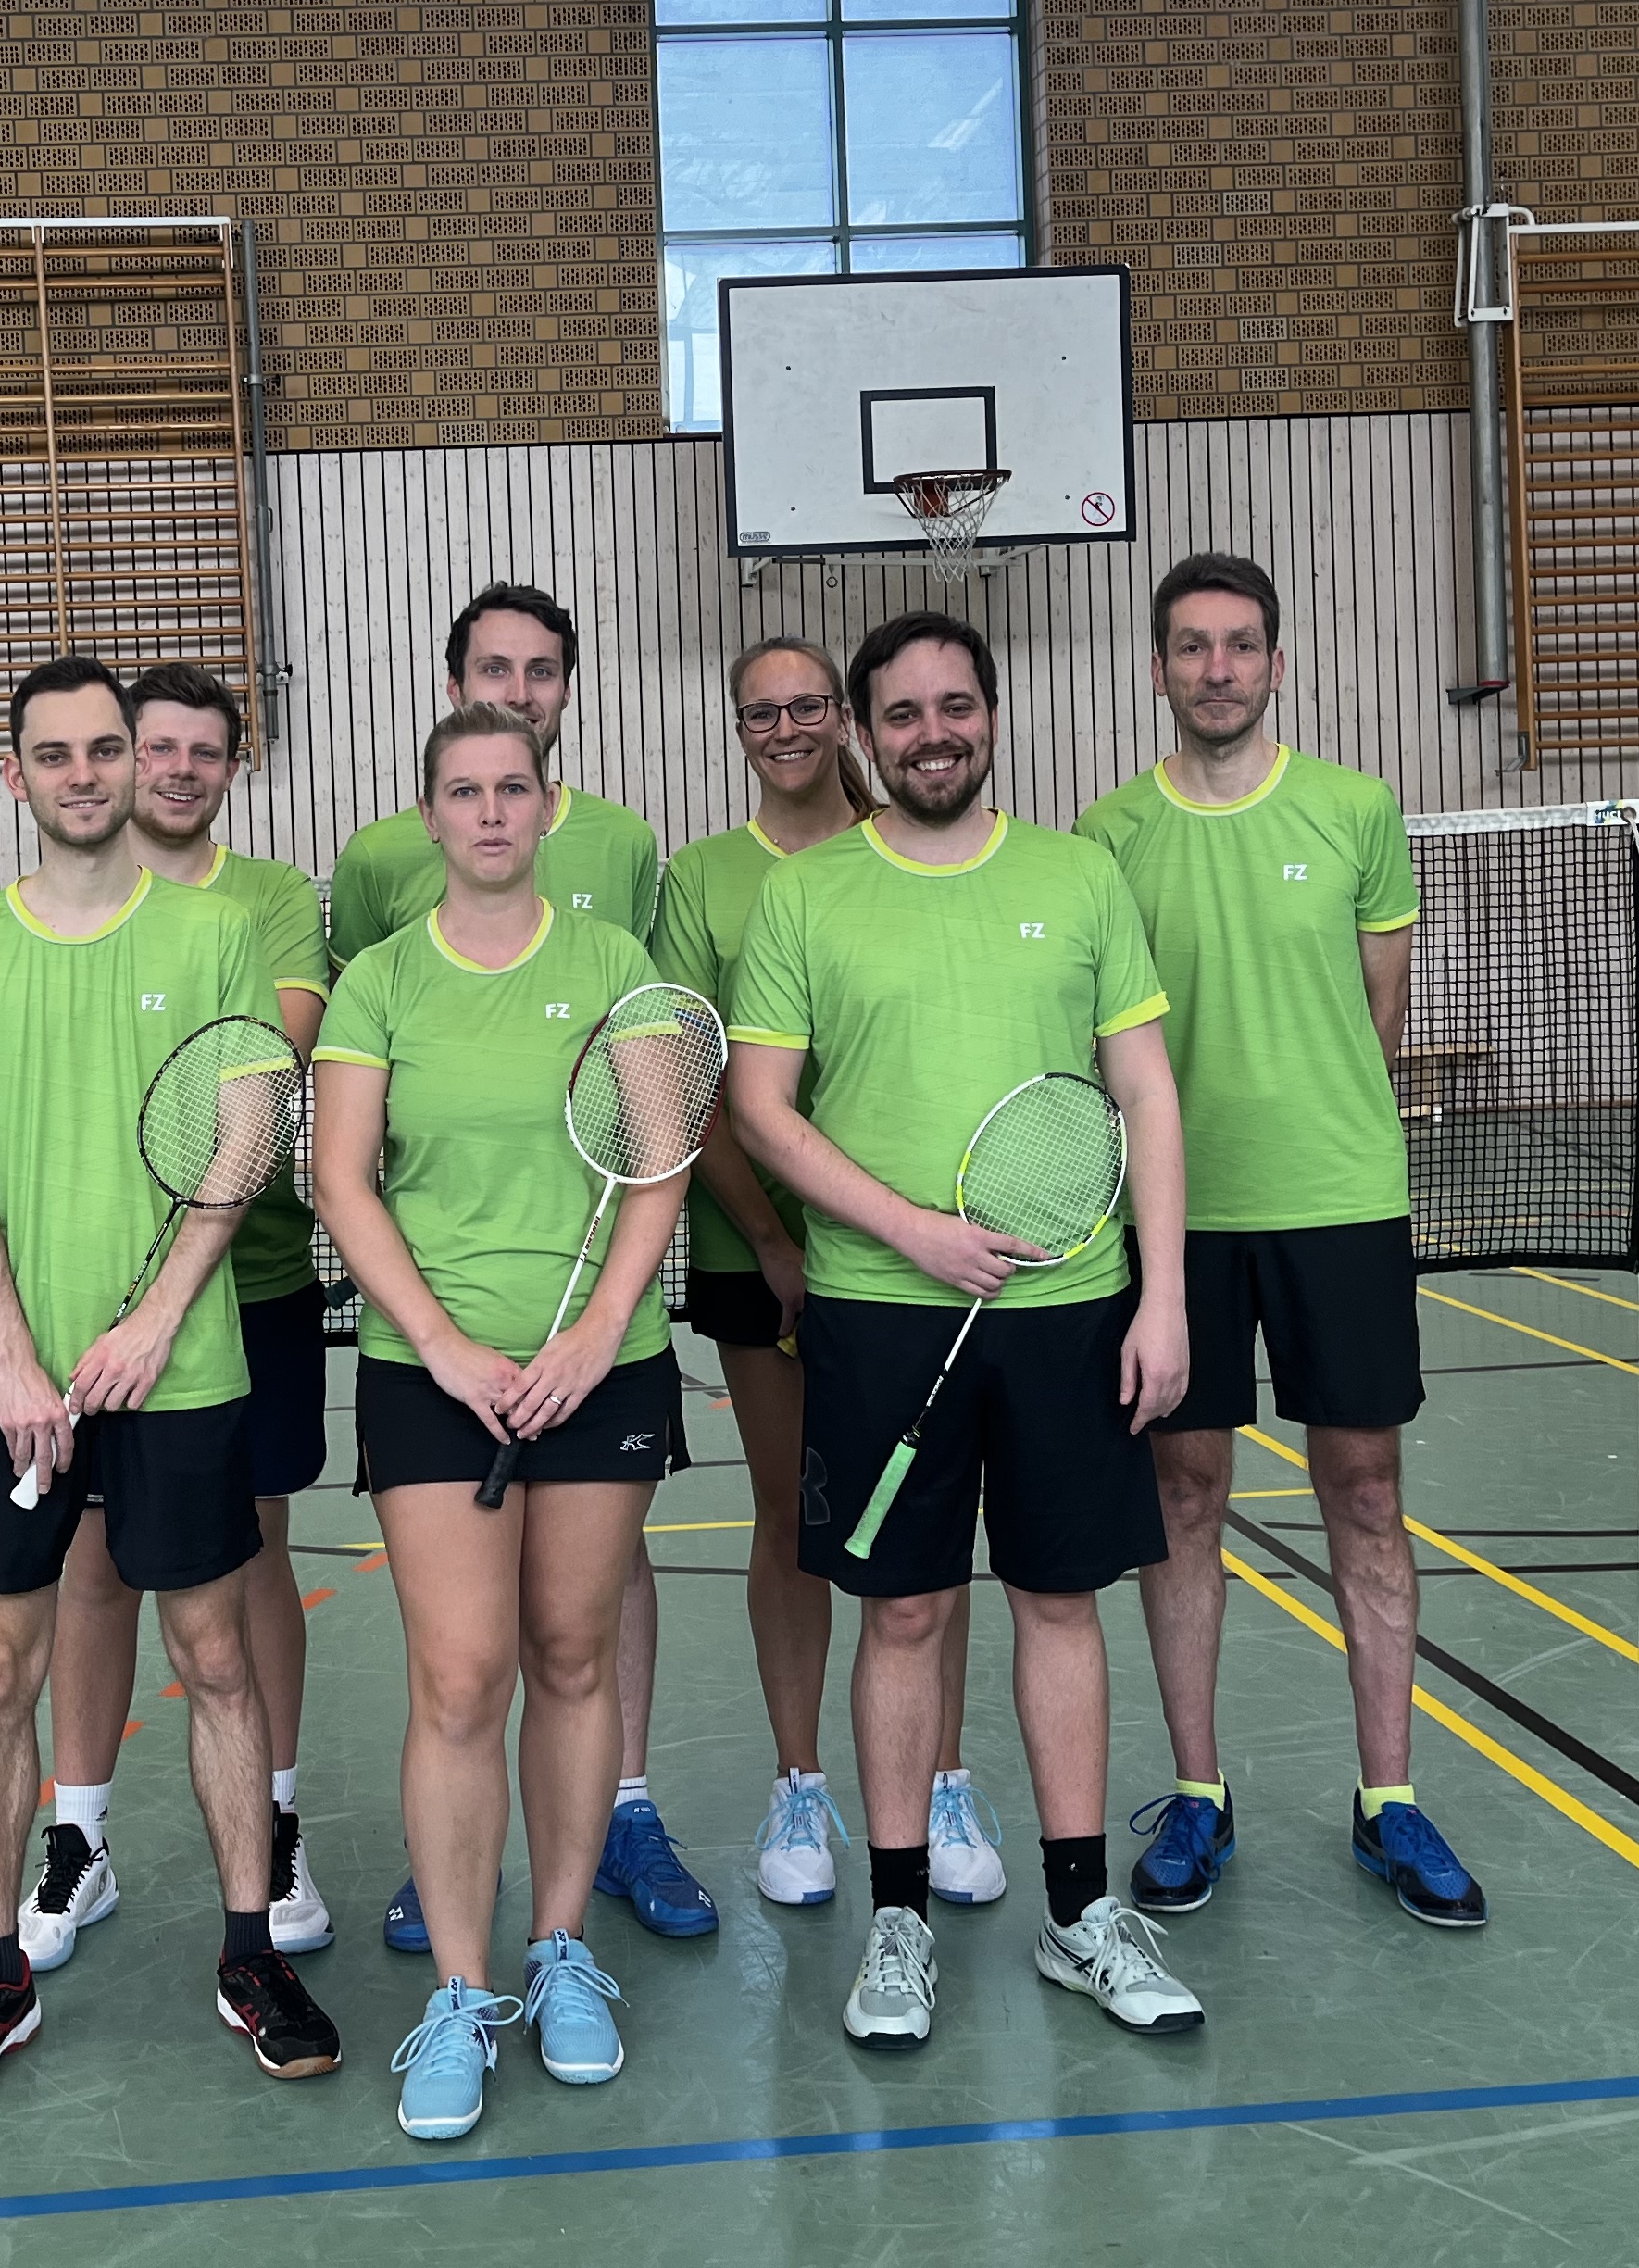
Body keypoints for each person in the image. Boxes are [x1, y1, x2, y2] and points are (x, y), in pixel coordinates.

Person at [723, 611, 1204, 2053]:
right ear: (865, 735)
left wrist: (1164, 1295)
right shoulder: (807, 896)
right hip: (882, 1312)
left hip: (1068, 1309)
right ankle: (899, 1923)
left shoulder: (1079, 875)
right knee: (906, 1611)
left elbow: (1145, 1090)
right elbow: (760, 1107)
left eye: (956, 706)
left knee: (1062, 1600)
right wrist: (912, 1233)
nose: (933, 733)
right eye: (905, 713)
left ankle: (1080, 1916)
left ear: (991, 715)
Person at [0, 657, 340, 2108]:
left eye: (105, 750)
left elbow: (247, 1136)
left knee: (217, 1659)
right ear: (13, 775)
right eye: (57, 754)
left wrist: (155, 1319)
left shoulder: (216, 934)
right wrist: (12, 1356)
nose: (85, 774)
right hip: (6, 1388)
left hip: (184, 1369)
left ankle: (250, 1952)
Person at [1077, 553, 1483, 1930]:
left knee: (1366, 1494)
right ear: (1158, 669)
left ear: (1276, 663)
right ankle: (1199, 1794)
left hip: (1340, 1204)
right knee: (1185, 1496)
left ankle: (1391, 1798)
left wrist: (1314, 1119)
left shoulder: (1357, 810)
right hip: (1178, 1219)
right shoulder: (1109, 834)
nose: (1217, 669)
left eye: (1240, 645)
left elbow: (1379, 1011)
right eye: (1192, 647)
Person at [312, 704, 691, 2140]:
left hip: (602, 1367)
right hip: (434, 1377)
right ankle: (462, 1994)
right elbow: (342, 1180)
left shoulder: (615, 966)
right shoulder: (381, 982)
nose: (487, 812)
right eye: (462, 791)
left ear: (545, 805)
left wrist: (597, 1333)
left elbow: (659, 1160)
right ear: (430, 817)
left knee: (575, 1657)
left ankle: (561, 1950)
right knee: (463, 1679)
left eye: (511, 788)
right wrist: (444, 1345)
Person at [653, 637, 994, 1911]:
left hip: (917, 1258)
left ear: (843, 718)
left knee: (931, 1530)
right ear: (739, 729)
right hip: (763, 1253)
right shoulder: (705, 879)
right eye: (763, 712)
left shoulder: (915, 849)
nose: (787, 728)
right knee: (793, 1516)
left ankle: (943, 1777)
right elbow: (695, 1087)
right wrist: (776, 1241)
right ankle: (800, 1782)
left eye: (808, 706)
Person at [22, 662, 336, 1969]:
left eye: (207, 751)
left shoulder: (269, 903)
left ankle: (274, 1822)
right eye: (157, 747)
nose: (178, 769)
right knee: (90, 1562)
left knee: (251, 1555)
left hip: (244, 1291)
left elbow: (262, 1063)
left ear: (232, 767)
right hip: (88, 1302)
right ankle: (79, 1837)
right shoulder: (53, 913)